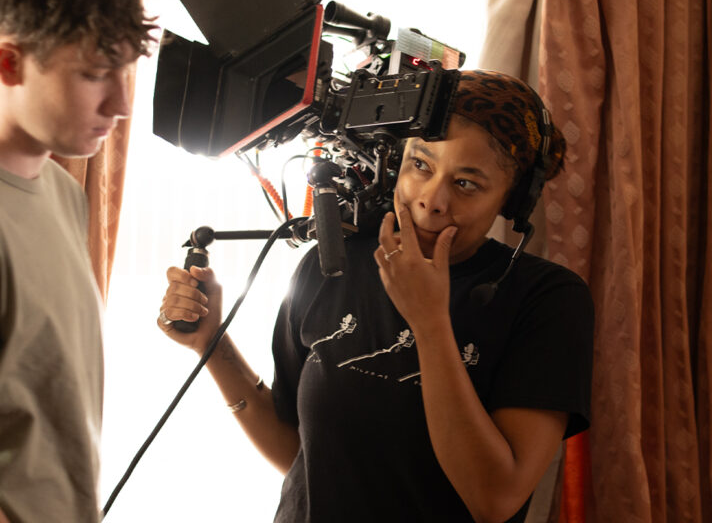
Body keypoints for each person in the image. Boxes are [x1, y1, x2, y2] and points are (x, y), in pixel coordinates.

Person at [158, 69, 594, 523]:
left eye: (466, 183)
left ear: (512, 199)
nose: (431, 199)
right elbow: (297, 450)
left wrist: (428, 321)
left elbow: (495, 500)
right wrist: (211, 345)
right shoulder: (332, 263)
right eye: (420, 165)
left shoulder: (548, 300)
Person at [0, 0, 155, 522]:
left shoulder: (62, 191)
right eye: (93, 74)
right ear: (9, 62)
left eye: (125, 73)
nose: (121, 104)